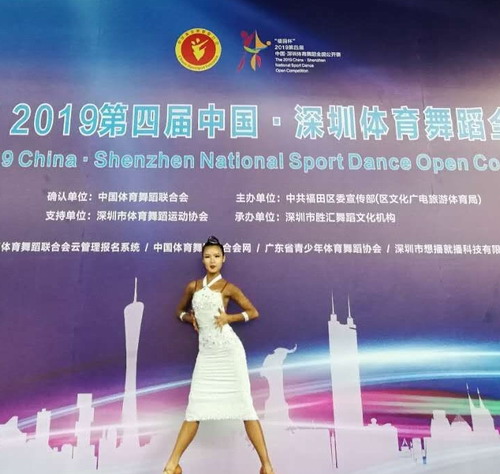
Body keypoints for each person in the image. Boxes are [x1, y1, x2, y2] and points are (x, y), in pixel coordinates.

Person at [163, 236, 274, 474]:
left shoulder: (227, 287)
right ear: (202, 260)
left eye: (216, 256)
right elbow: (178, 311)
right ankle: (172, 465)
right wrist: (190, 318)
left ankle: (266, 466)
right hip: (207, 355)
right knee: (195, 409)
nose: (212, 260)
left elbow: (253, 312)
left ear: (224, 259)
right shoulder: (192, 287)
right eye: (207, 256)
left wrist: (229, 318)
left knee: (245, 407)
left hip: (229, 351)